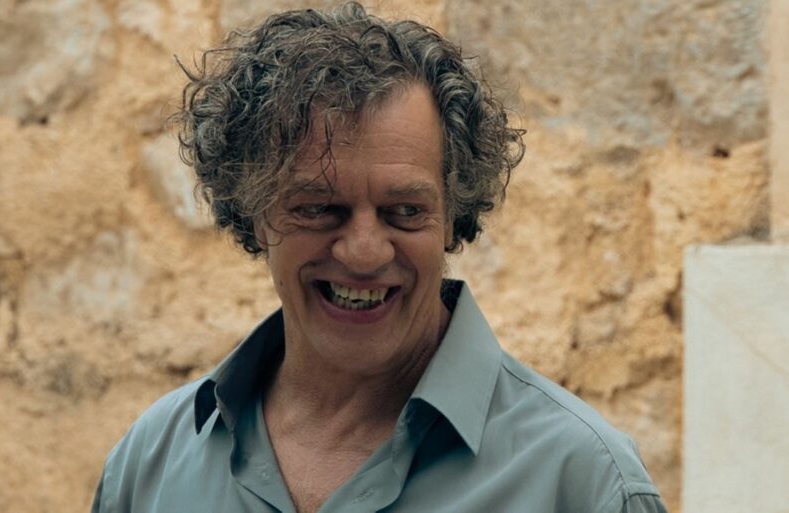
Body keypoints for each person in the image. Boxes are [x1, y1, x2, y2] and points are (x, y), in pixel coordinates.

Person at [92, 3, 667, 512]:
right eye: (320, 208)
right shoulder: (153, 463)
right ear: (254, 211)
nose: (365, 253)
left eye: (405, 212)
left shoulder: (582, 483)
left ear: (453, 214)